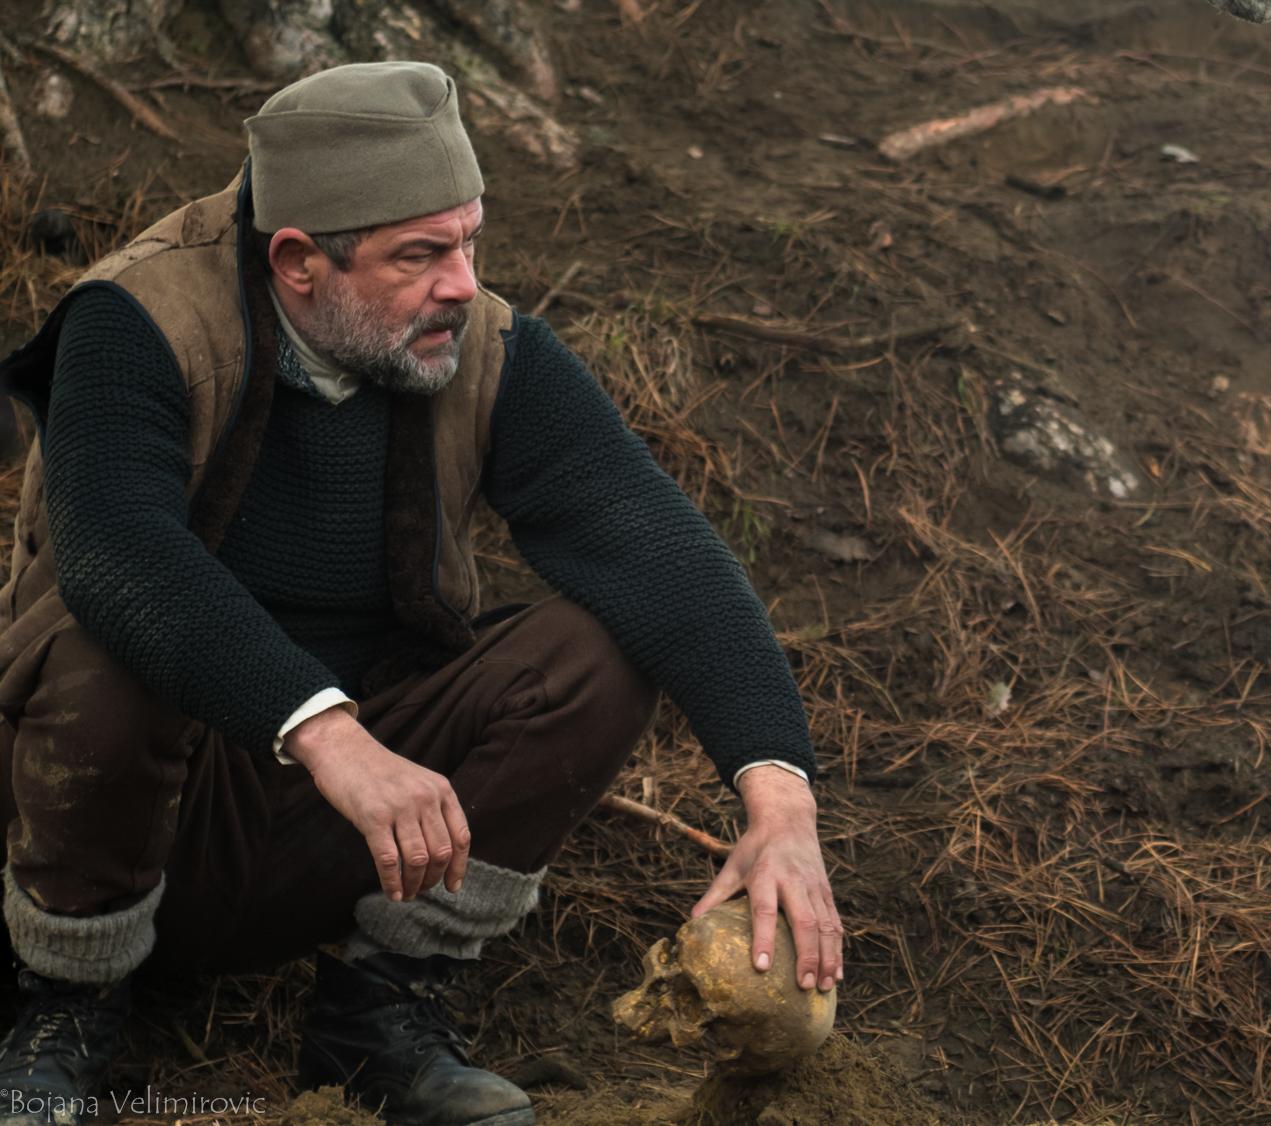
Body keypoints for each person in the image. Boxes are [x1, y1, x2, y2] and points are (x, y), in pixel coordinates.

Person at [0, 61, 840, 1126]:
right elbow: (119, 550)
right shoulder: (137, 321)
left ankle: (379, 1009)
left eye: (469, 242)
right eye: (421, 254)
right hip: (138, 803)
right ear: (298, 261)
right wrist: (327, 732)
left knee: (599, 649)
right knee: (101, 646)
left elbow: (656, 548)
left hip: (364, 828)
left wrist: (782, 805)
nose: (461, 282)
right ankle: (68, 998)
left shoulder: (479, 343)